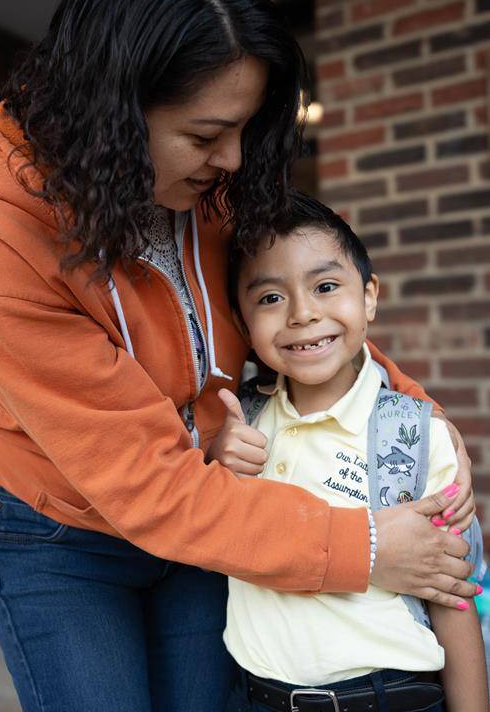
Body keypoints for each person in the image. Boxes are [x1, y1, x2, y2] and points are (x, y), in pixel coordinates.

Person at [0, 0, 478, 712]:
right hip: (61, 532)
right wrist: (367, 548)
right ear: (113, 117)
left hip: (220, 496)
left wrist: (414, 420)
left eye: (243, 129)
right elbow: (149, 485)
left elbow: (311, 321)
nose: (232, 161)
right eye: (205, 135)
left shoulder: (208, 186)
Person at [208, 190, 488, 712]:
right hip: (256, 697)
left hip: (388, 696)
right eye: (270, 297)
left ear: (369, 297)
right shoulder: (240, 427)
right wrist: (217, 459)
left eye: (326, 286)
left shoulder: (412, 435)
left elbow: (452, 597)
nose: (303, 313)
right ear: (243, 324)